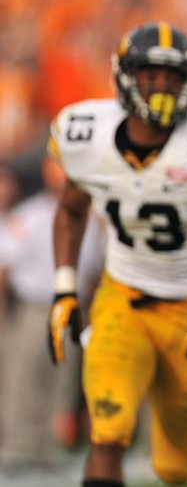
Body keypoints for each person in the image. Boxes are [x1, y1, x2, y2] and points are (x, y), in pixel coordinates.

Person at [46, 21, 187, 487]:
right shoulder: (86, 133)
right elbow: (69, 213)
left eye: (173, 79)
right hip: (121, 300)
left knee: (173, 468)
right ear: (125, 77)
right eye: (151, 76)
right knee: (107, 431)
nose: (162, 88)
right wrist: (66, 289)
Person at [0, 157, 103, 472]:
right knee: (23, 379)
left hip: (72, 308)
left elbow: (91, 273)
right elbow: (5, 268)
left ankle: (46, 448)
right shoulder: (28, 216)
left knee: (61, 381)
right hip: (34, 306)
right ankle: (16, 447)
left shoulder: (91, 220)